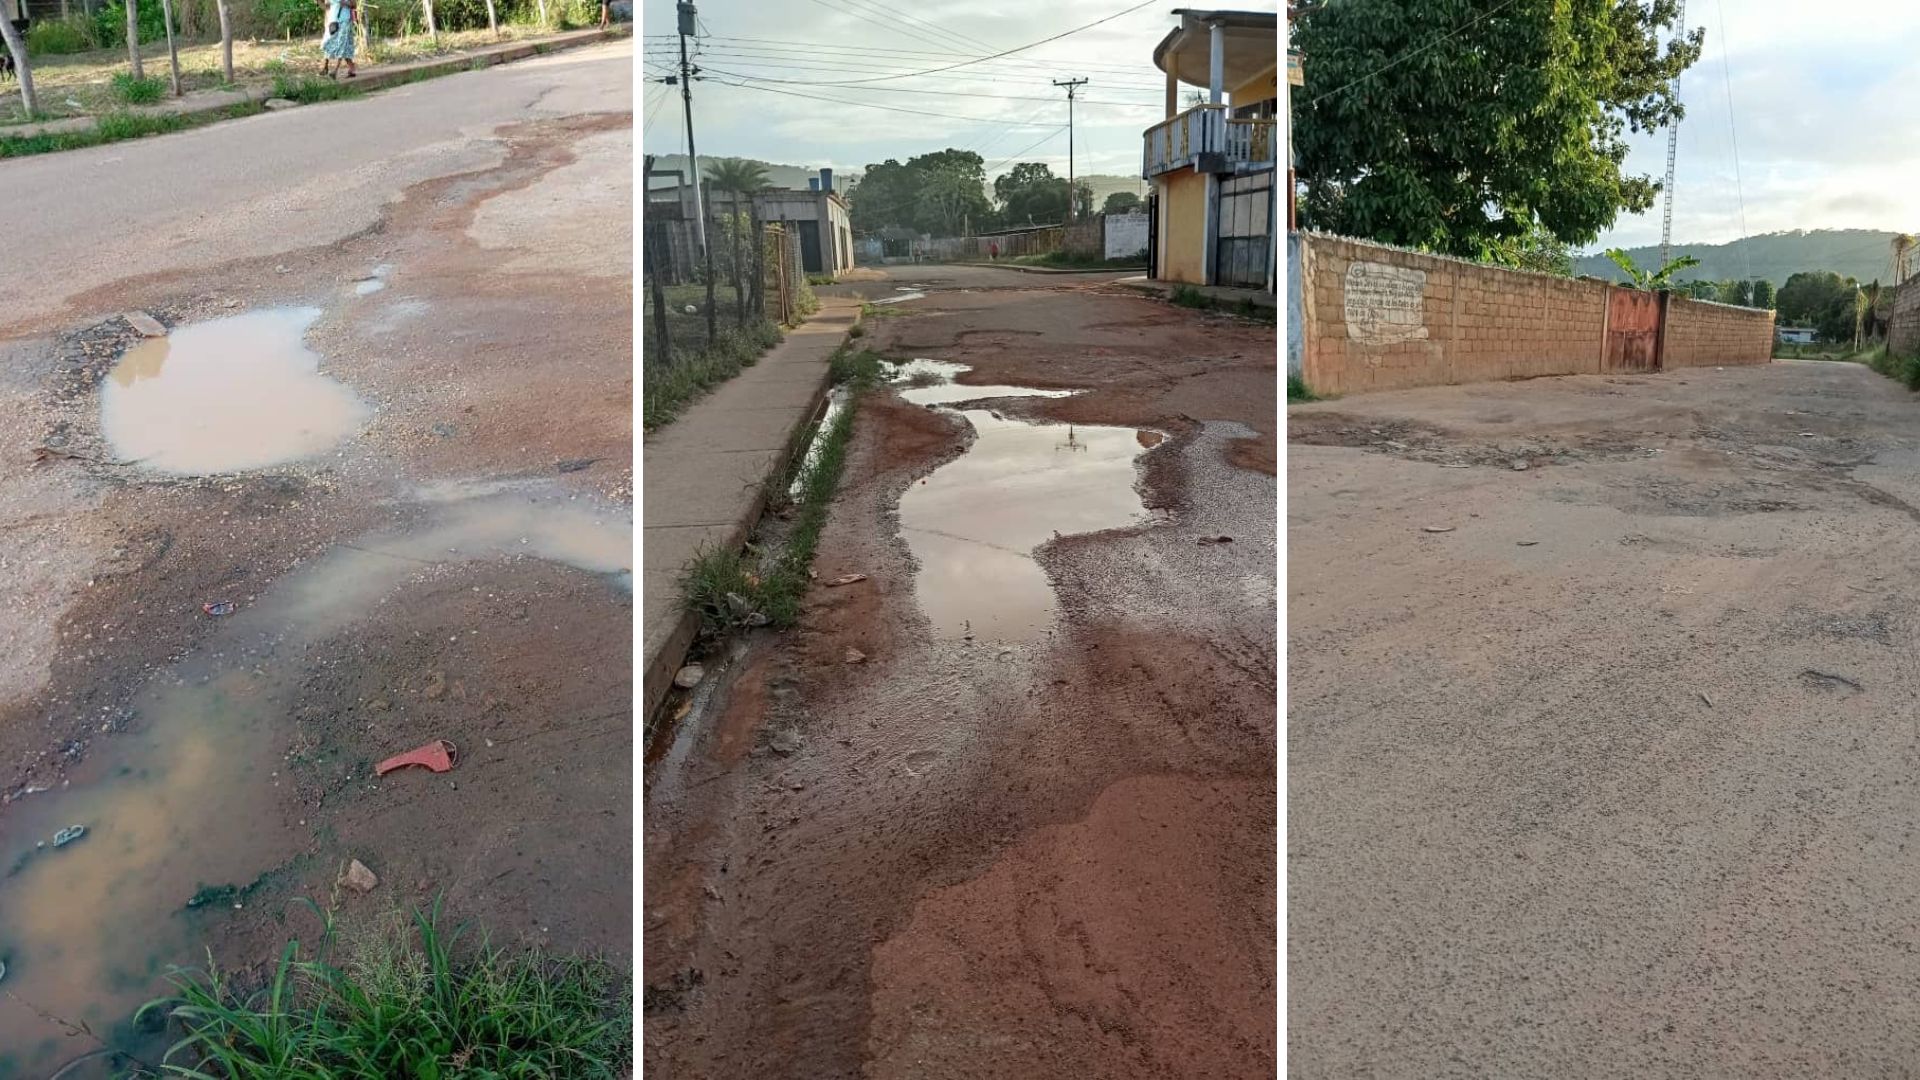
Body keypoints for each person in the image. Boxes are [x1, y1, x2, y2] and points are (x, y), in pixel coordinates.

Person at [321, 0, 358, 79]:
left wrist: (345, 3)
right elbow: (326, 7)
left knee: (341, 44)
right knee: (327, 43)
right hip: (333, 21)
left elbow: (354, 4)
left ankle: (335, 70)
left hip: (345, 21)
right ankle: (351, 68)